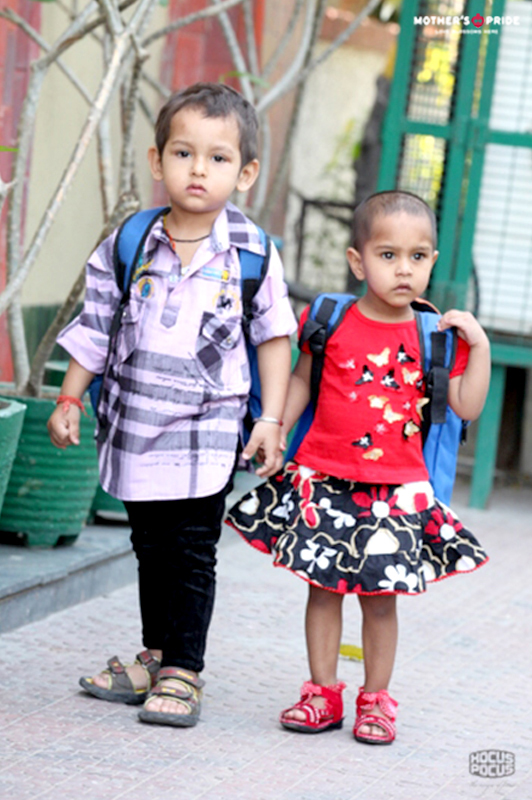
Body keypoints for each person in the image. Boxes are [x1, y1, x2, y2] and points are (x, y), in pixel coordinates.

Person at [47, 82, 297, 728]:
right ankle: (156, 655)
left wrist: (271, 419)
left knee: (191, 550)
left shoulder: (251, 254)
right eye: (184, 153)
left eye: (218, 158)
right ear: (158, 161)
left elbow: (274, 338)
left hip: (207, 433)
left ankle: (183, 669)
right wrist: (70, 396)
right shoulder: (130, 243)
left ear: (245, 173)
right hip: (135, 425)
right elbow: (95, 326)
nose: (198, 170)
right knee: (150, 547)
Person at [226, 190, 490, 744]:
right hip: (324, 480)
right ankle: (322, 694)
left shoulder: (436, 337)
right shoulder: (328, 319)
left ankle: (376, 701)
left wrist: (480, 346)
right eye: (388, 255)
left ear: (432, 262)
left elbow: (466, 406)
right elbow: (302, 380)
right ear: (358, 261)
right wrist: (275, 427)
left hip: (395, 493)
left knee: (380, 601)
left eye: (417, 257)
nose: (404, 269)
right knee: (322, 591)